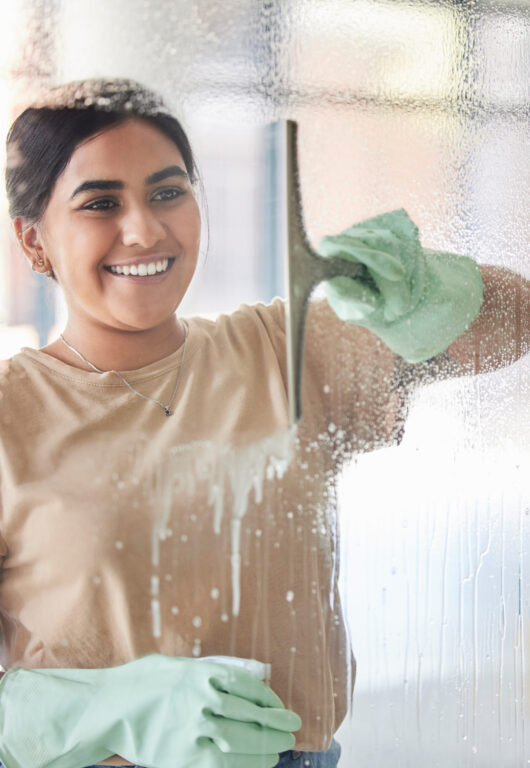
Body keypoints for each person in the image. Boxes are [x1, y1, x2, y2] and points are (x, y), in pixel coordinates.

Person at [0, 78, 527, 768]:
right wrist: (105, 711)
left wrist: (425, 294)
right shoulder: (12, 415)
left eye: (169, 191)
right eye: (101, 203)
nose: (146, 229)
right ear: (34, 240)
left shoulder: (282, 350)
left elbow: (513, 323)